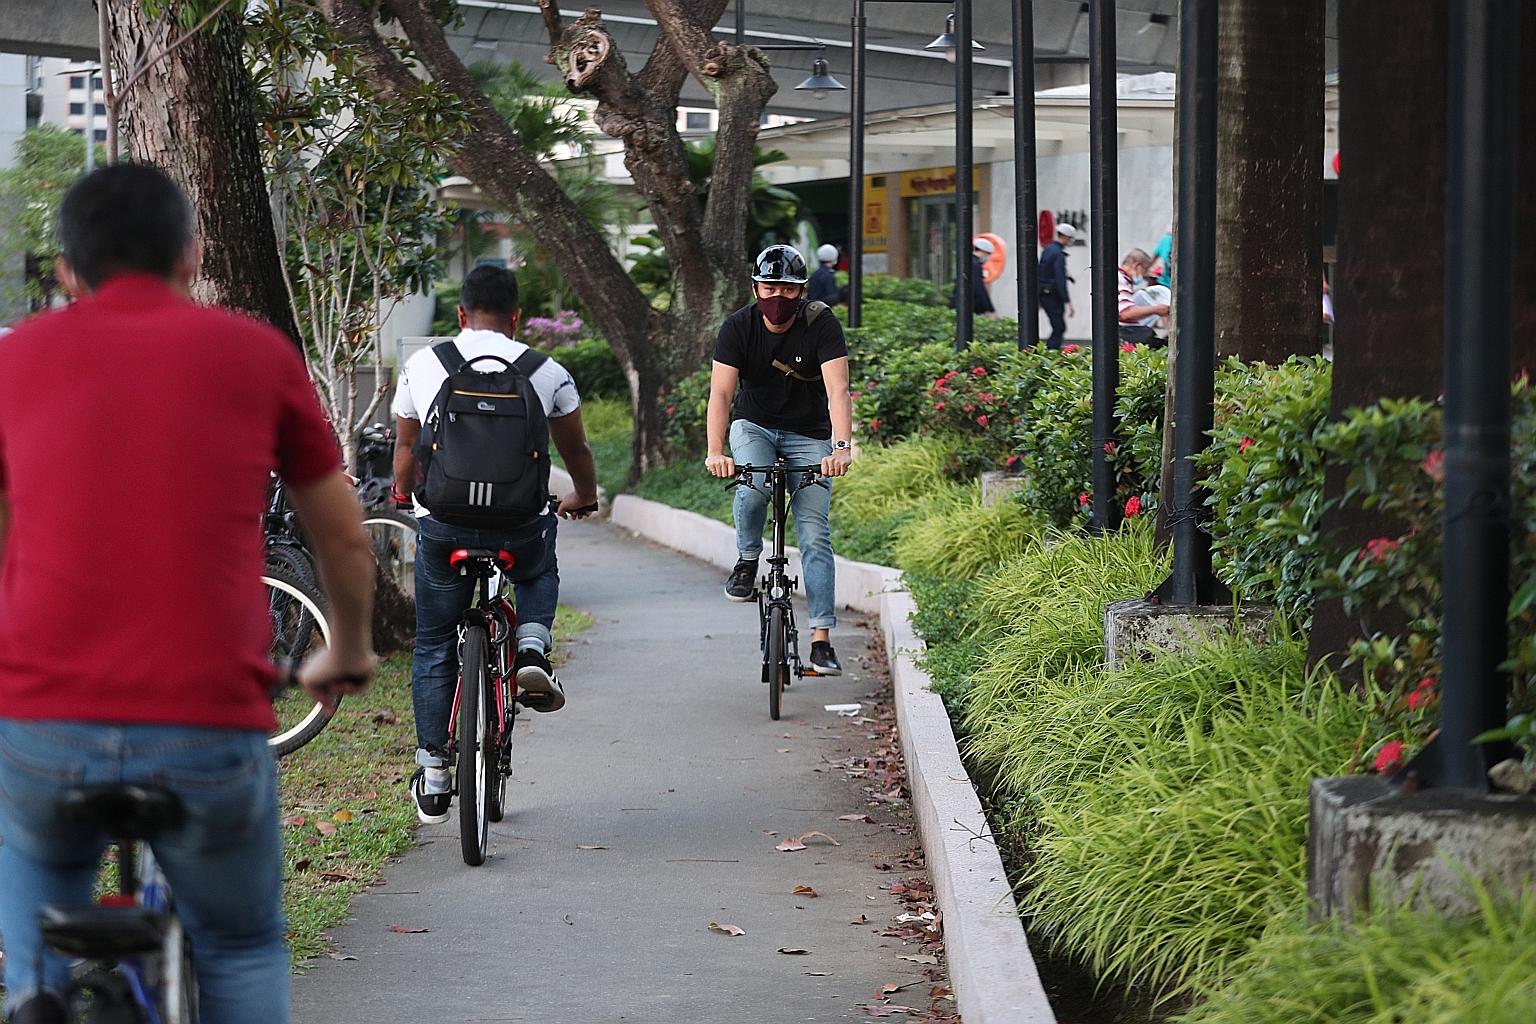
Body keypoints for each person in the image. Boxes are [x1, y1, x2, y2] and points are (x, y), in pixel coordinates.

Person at [0, 163, 377, 1024]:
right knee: (239, 943)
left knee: (35, 871)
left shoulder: (15, 361)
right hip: (206, 723)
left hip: (44, 726)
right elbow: (345, 540)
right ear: (191, 255)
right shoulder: (253, 354)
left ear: (66, 269)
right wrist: (345, 648)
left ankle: (35, 994)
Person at [391, 264, 599, 825]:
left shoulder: (424, 363)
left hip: (444, 525)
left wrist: (404, 493)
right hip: (519, 524)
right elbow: (575, 450)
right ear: (514, 318)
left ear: (461, 315)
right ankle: (532, 645)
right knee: (536, 571)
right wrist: (584, 496)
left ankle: (435, 772)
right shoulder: (545, 370)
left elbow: (407, 444)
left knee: (434, 640)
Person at [705, 244, 853, 677]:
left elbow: (838, 391)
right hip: (754, 425)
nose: (777, 297)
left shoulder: (821, 323)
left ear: (802, 291)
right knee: (752, 490)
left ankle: (822, 640)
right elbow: (721, 395)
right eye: (769, 287)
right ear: (755, 287)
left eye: (788, 290)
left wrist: (841, 449)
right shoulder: (738, 327)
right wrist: (716, 452)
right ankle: (748, 560)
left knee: (814, 535)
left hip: (810, 433)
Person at [1117, 248, 1170, 345]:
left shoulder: (1125, 280)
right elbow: (1125, 313)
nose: (1145, 274)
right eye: (1145, 269)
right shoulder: (1121, 280)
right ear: (1136, 265)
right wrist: (1157, 309)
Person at [1037, 223, 1077, 349]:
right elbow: (1059, 279)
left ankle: (1049, 351)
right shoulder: (1058, 254)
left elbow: (1042, 273)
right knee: (1059, 327)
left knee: (1058, 326)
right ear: (1065, 237)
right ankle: (1050, 353)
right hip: (1053, 296)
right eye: (1070, 238)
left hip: (1044, 294)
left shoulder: (1048, 250)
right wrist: (1067, 301)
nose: (1070, 241)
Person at [952, 237, 998, 318]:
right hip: (968, 305)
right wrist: (989, 309)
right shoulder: (975, 265)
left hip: (959, 302)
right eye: (988, 254)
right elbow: (979, 288)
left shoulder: (967, 261)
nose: (988, 257)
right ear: (983, 251)